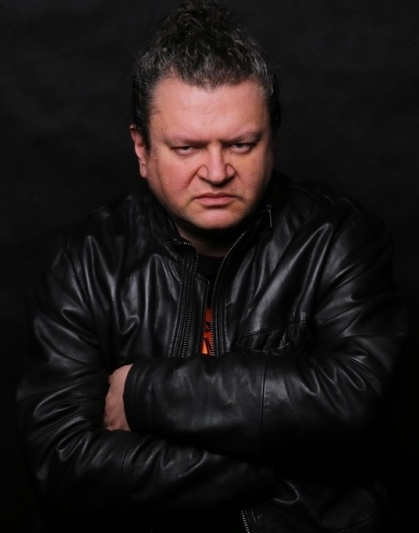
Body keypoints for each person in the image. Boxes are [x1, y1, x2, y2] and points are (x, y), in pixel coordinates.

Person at [16, 1, 408, 532]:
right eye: (187, 148)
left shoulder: (337, 239)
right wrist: (283, 457)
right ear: (142, 148)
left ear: (272, 140)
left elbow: (357, 401)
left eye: (242, 144)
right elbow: (63, 464)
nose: (217, 171)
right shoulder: (86, 261)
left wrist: (143, 391)